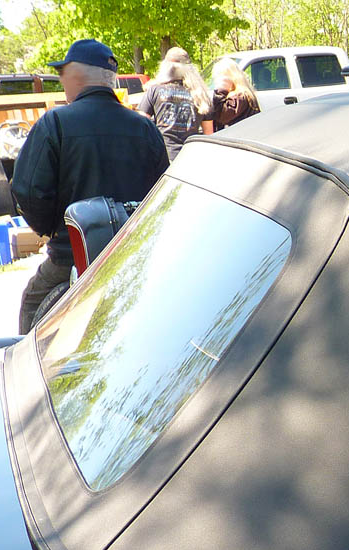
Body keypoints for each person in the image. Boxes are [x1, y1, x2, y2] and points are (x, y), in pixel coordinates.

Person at [13, 39, 168, 334]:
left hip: (71, 257)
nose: (61, 80)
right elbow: (163, 193)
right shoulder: (145, 128)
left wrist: (52, 230)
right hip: (132, 255)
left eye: (62, 72)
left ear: (77, 74)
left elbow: (28, 190)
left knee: (32, 304)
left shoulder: (55, 123)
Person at [137, 47, 214, 160]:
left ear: (165, 67)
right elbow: (209, 135)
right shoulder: (201, 95)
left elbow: (141, 125)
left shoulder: (155, 90)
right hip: (191, 157)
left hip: (163, 156)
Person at [210, 58, 261, 131]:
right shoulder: (241, 95)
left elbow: (222, 115)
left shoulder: (241, 97)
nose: (216, 82)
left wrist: (221, 89)